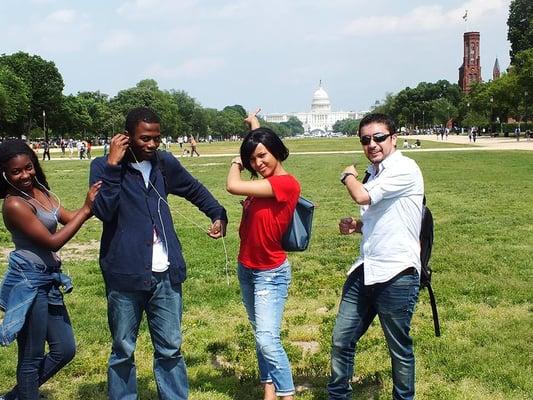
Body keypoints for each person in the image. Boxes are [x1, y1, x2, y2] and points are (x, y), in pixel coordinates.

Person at [89, 106, 228, 400]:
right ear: (126, 137)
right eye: (144, 139)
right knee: (123, 349)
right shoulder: (102, 166)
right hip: (125, 275)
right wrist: (114, 166)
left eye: (156, 138)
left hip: (165, 274)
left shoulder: (163, 163)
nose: (152, 145)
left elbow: (193, 189)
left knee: (170, 348)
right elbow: (103, 210)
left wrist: (217, 213)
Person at [327, 113, 424, 400]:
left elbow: (361, 197)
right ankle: (338, 395)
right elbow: (385, 217)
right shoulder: (376, 172)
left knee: (398, 348)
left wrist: (347, 175)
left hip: (397, 272)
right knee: (341, 339)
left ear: (393, 138)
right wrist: (358, 226)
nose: (372, 144)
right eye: (366, 139)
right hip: (366, 268)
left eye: (379, 137)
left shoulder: (405, 168)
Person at [0, 139, 101, 400]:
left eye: (28, 167)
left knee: (64, 349)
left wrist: (97, 203)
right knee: (31, 357)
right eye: (16, 172)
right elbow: (53, 241)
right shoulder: (14, 204)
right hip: (29, 282)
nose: (25, 175)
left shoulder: (40, 191)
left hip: (49, 278)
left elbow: (69, 218)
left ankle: (15, 397)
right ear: (4, 174)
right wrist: (87, 207)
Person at [226, 110, 300, 400]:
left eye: (262, 156)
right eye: (252, 159)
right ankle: (269, 389)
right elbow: (259, 143)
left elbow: (232, 185)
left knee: (268, 340)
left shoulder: (286, 183)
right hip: (247, 267)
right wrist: (254, 127)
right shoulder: (263, 181)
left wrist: (237, 160)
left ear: (277, 151)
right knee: (261, 334)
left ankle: (286, 394)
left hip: (270, 272)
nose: (258, 163)